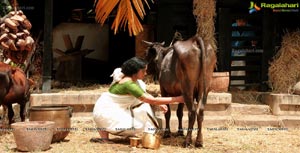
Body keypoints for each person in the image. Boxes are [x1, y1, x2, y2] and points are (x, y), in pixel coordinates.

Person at [91, 57, 184, 143]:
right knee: (142, 117)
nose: (146, 73)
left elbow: (145, 96)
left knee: (143, 104)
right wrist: (178, 99)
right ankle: (109, 134)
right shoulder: (129, 84)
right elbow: (151, 100)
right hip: (106, 114)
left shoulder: (127, 78)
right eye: (143, 71)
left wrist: (158, 103)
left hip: (102, 110)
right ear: (135, 72)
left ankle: (104, 138)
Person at [231, 18, 257, 90]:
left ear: (246, 22)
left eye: (243, 21)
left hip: (241, 50)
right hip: (231, 50)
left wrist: (253, 42)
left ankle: (240, 87)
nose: (241, 23)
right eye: (239, 21)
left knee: (241, 64)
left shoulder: (249, 28)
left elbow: (254, 40)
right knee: (232, 66)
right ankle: (232, 86)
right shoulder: (232, 27)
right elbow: (227, 43)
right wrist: (231, 56)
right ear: (236, 21)